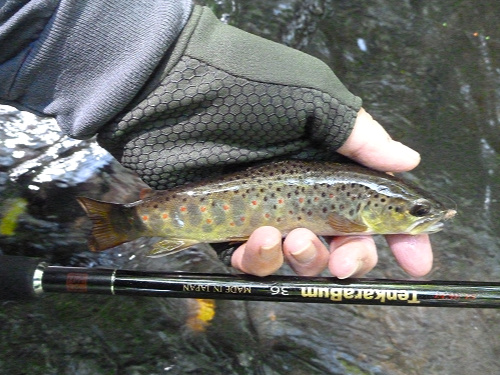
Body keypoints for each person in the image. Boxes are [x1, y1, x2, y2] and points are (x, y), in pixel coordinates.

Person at [0, 1, 432, 278]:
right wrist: (164, 64)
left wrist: (152, 68)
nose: (426, 215)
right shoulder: (355, 212)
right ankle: (123, 221)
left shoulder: (360, 205)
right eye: (417, 211)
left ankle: (126, 221)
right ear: (376, 209)